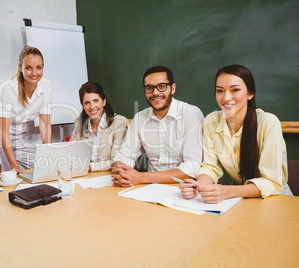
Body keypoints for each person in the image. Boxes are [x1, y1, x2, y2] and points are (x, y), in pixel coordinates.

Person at [179, 64, 292, 203]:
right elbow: (210, 166)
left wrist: (227, 191)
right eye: (220, 91)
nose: (226, 97)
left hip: (275, 196)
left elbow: (272, 182)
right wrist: (198, 186)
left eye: (235, 90)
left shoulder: (268, 122)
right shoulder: (211, 121)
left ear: (250, 93)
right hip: (236, 196)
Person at [112, 66, 203, 186]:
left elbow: (192, 168)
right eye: (149, 88)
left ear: (173, 88)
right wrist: (122, 169)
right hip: (149, 187)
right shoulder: (140, 118)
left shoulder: (191, 114)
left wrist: (140, 177)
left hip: (184, 187)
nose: (155, 92)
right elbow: (125, 154)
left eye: (161, 86)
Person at [0, 46, 52, 173]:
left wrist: (48, 155)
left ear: (43, 67)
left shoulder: (46, 86)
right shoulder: (8, 89)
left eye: (38, 67)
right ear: (20, 67)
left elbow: (45, 126)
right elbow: (4, 133)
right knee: (9, 175)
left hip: (19, 137)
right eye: (28, 68)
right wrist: (14, 166)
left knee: (43, 166)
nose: (34, 73)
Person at [70, 82, 127, 171]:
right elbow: (70, 153)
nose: (92, 107)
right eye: (87, 103)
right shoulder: (79, 123)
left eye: (96, 101)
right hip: (84, 176)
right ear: (82, 105)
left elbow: (116, 161)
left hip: (108, 175)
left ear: (104, 101)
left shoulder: (118, 123)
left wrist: (89, 167)